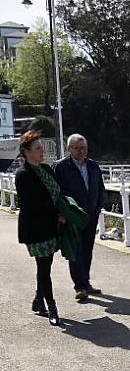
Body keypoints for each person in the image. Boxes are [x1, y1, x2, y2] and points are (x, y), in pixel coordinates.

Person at [15, 131, 68, 325]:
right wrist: (56, 214)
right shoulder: (22, 174)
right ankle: (51, 307)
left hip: (52, 227)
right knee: (44, 269)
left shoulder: (46, 169)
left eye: (41, 148)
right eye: (37, 148)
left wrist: (63, 212)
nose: (41, 151)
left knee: (45, 266)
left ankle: (38, 300)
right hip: (36, 229)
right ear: (26, 152)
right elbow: (31, 204)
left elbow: (58, 194)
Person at [53, 134, 106, 301]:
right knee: (75, 250)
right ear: (69, 149)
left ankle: (86, 282)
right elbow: (55, 192)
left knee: (87, 249)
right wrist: (61, 214)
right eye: (78, 148)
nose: (82, 151)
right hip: (72, 216)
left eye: (84, 148)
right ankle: (79, 286)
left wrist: (97, 208)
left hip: (90, 215)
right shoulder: (61, 167)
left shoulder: (93, 166)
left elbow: (100, 188)